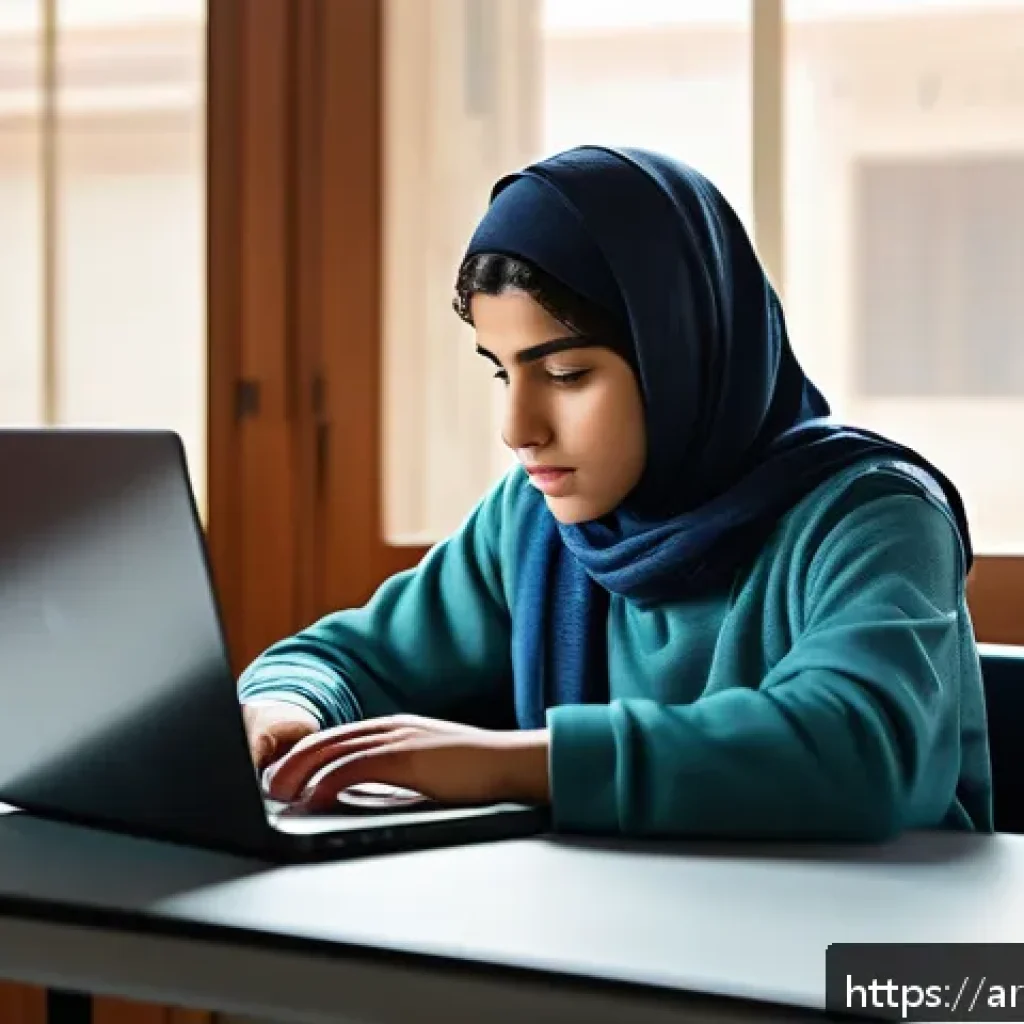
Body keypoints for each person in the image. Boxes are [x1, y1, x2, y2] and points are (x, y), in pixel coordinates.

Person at [237, 145, 992, 841]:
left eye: (564, 374)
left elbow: (859, 750)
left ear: (680, 356)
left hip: (861, 968)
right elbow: (346, 659)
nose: (518, 429)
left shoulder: (872, 518)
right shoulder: (533, 521)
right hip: (614, 948)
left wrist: (510, 763)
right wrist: (284, 709)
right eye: (503, 372)